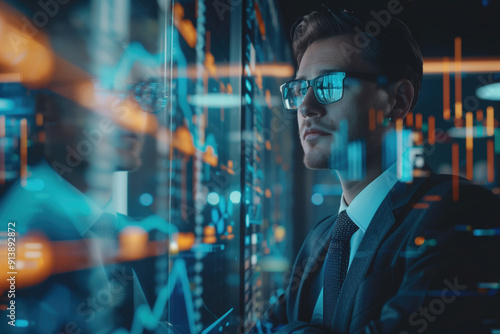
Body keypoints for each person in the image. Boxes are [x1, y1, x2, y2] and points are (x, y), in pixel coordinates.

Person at [265, 7, 500, 333]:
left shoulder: (456, 211)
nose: (306, 107)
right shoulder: (320, 238)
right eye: (300, 89)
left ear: (398, 100)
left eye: (328, 84)